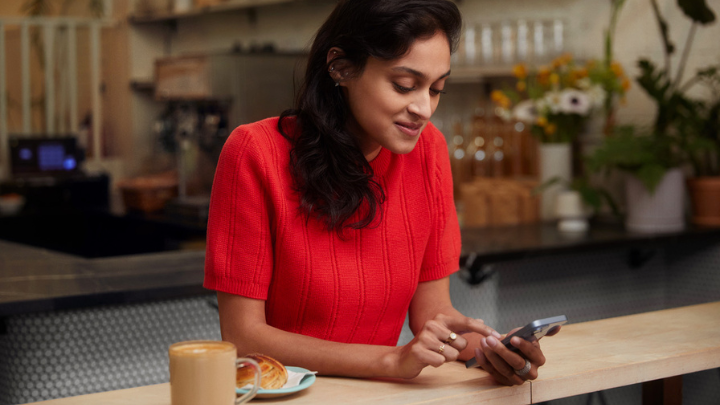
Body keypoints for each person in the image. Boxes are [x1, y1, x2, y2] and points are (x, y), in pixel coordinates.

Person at [204, 0, 558, 385]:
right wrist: (390, 362)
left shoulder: (429, 151)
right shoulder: (254, 152)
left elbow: (433, 315)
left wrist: (492, 349)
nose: (424, 108)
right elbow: (243, 339)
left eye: (436, 89)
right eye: (404, 85)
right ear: (340, 66)